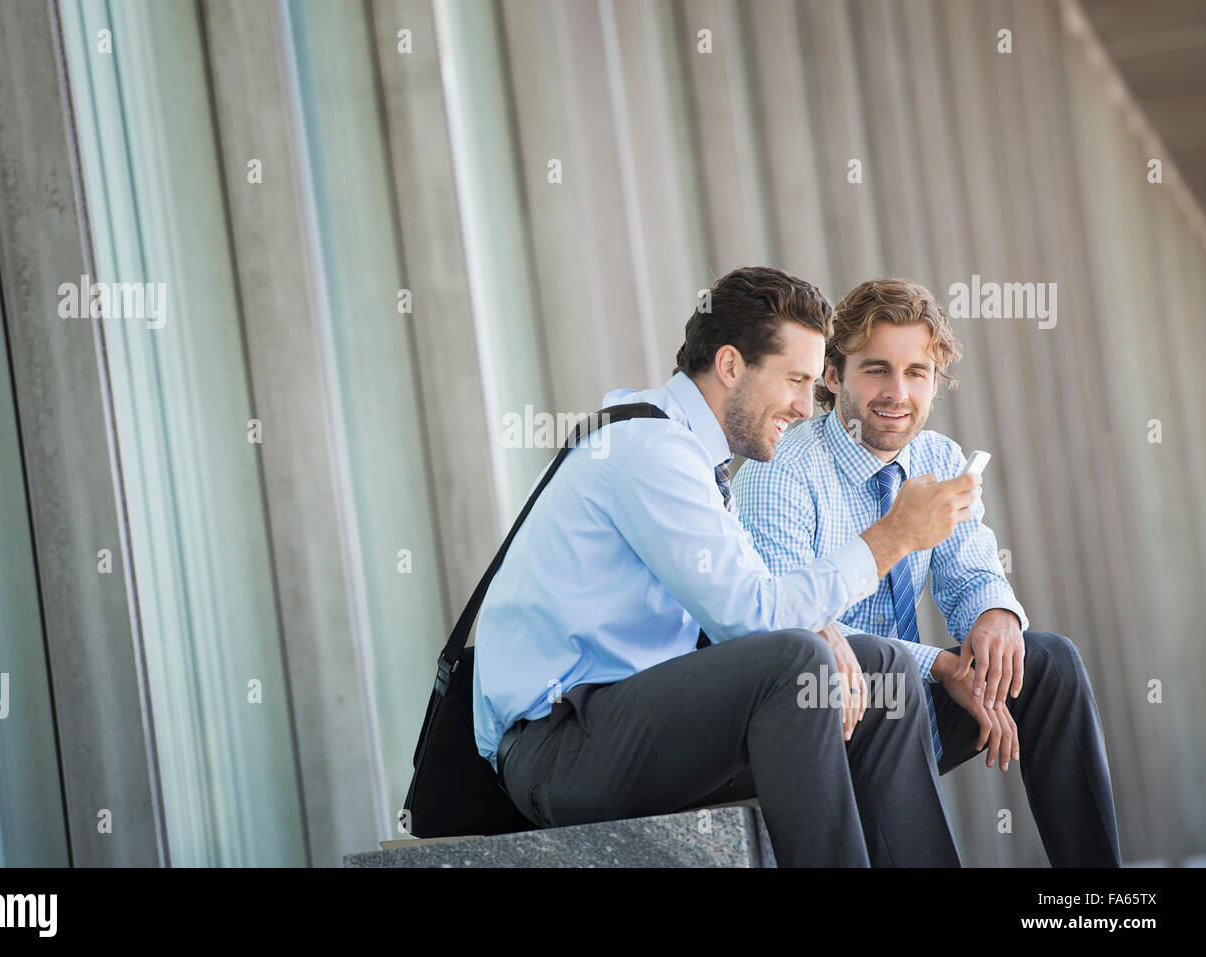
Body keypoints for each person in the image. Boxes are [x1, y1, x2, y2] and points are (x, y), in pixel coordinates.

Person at [471, 266, 980, 866]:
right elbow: (753, 616)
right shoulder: (650, 451)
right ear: (732, 366)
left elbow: (744, 595)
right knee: (798, 662)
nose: (803, 405)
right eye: (794, 380)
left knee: (880, 665)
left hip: (628, 724)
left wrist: (822, 627)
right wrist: (891, 537)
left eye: (812, 384)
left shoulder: (691, 453)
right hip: (563, 748)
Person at [731, 277, 1120, 866]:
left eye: (917, 373)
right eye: (876, 369)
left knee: (1047, 662)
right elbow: (791, 629)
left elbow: (971, 568)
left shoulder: (937, 457)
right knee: (887, 681)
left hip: (911, 703)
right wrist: (937, 663)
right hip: (833, 714)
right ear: (832, 377)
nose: (897, 392)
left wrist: (993, 618)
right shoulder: (781, 470)